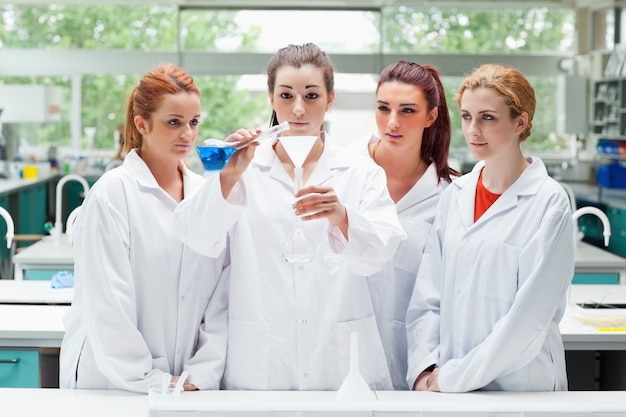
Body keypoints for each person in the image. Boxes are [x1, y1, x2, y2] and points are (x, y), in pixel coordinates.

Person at [175, 43, 406, 391]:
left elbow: (381, 252)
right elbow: (195, 236)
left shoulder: (359, 172)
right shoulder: (246, 168)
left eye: (311, 96)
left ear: (330, 99)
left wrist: (343, 217)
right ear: (271, 98)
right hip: (262, 362)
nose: (298, 109)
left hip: (337, 362)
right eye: (286, 95)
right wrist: (228, 175)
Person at [405, 63, 576, 393]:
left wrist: (453, 379)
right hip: (450, 383)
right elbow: (427, 296)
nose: (473, 130)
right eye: (467, 116)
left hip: (521, 389)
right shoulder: (455, 195)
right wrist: (425, 369)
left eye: (488, 117)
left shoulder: (548, 203)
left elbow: (527, 320)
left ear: (520, 122)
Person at [59, 63, 229, 393]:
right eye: (174, 123)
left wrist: (201, 374)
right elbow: (107, 307)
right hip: (113, 382)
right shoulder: (112, 195)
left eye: (194, 122)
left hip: (186, 384)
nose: (188, 135)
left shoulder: (205, 195)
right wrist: (153, 380)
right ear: (142, 124)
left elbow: (219, 299)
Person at [348, 61, 458, 390]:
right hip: (344, 356)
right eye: (384, 108)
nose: (392, 123)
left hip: (417, 365)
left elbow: (445, 292)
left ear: (431, 116)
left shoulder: (449, 195)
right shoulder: (343, 170)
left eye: (407, 111)